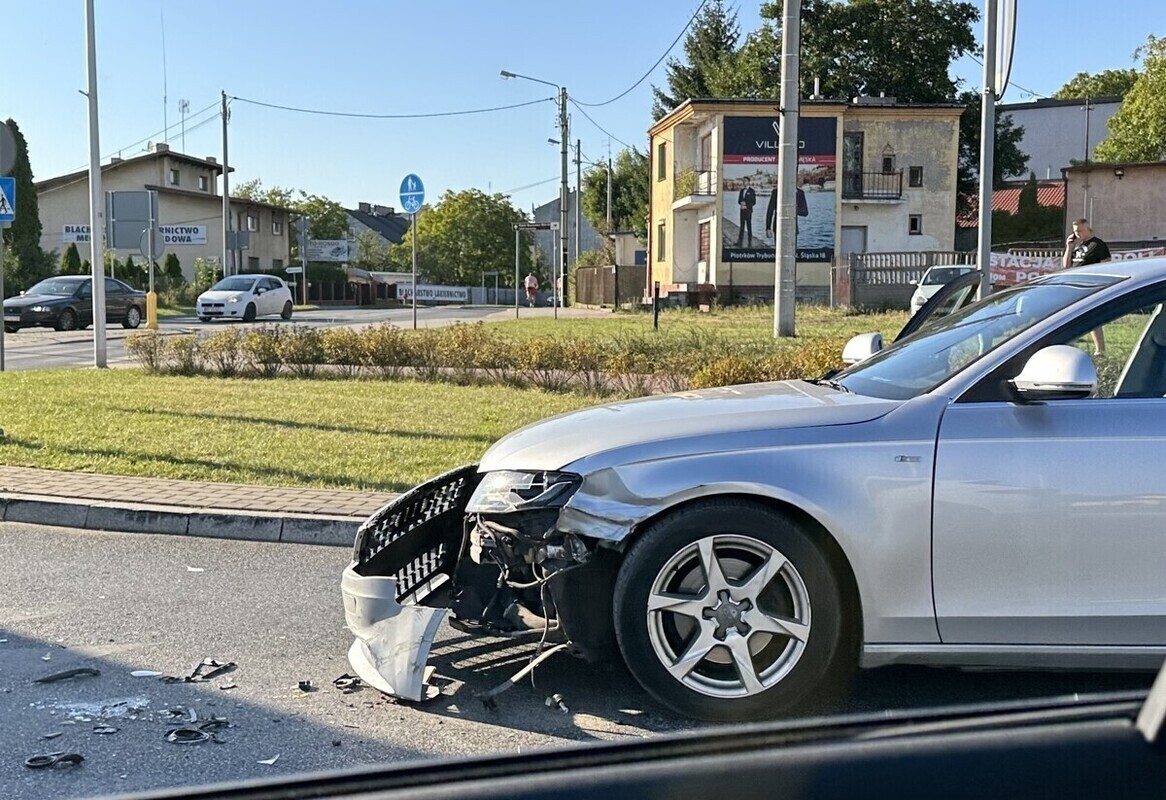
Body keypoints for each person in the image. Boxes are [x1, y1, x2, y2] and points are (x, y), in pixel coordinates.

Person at [1062, 218, 1111, 355]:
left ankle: (1099, 349)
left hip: (1091, 284)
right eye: (1075, 232)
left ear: (1087, 228)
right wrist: (1069, 247)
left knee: (1092, 317)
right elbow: (1066, 266)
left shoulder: (1098, 245)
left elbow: (1107, 265)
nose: (1077, 234)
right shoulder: (1076, 245)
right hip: (1075, 284)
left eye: (1080, 231)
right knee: (1072, 316)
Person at [734, 177, 756, 247]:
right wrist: (741, 203)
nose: (744, 182)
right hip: (742, 210)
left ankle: (750, 241)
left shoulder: (752, 191)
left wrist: (746, 205)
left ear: (748, 182)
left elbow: (754, 202)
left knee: (749, 226)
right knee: (742, 226)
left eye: (745, 181)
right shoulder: (741, 191)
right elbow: (739, 200)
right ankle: (740, 241)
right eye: (743, 181)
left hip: (748, 211)